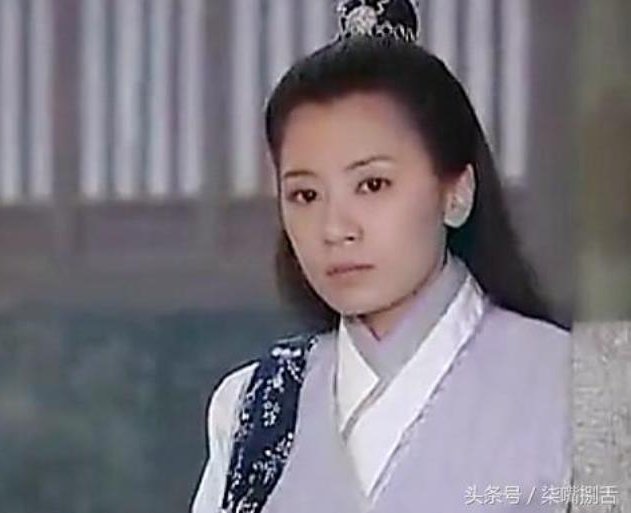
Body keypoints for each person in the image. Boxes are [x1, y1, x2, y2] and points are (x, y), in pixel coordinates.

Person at [191, 1, 572, 512]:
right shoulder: (252, 408)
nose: (335, 228)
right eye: (306, 195)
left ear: (456, 192)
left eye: (372, 184)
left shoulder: (582, 390)